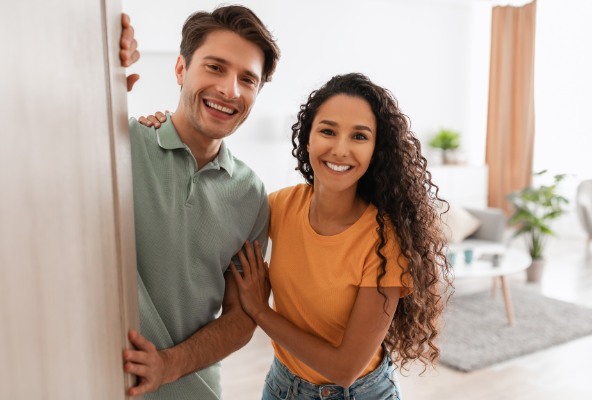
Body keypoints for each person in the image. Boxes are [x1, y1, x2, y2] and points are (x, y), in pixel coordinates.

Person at [142, 73, 452, 399]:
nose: (340, 149)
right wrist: (165, 129)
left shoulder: (384, 243)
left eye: (359, 137)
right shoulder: (279, 206)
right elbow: (211, 208)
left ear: (376, 151)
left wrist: (263, 313)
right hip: (282, 384)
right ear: (307, 139)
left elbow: (343, 369)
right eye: (328, 131)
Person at [118, 5, 281, 399]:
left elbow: (243, 317)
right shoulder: (120, 145)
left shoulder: (251, 194)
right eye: (215, 67)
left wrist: (169, 365)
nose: (230, 90)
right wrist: (100, 66)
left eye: (248, 79)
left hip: (197, 391)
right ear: (180, 70)